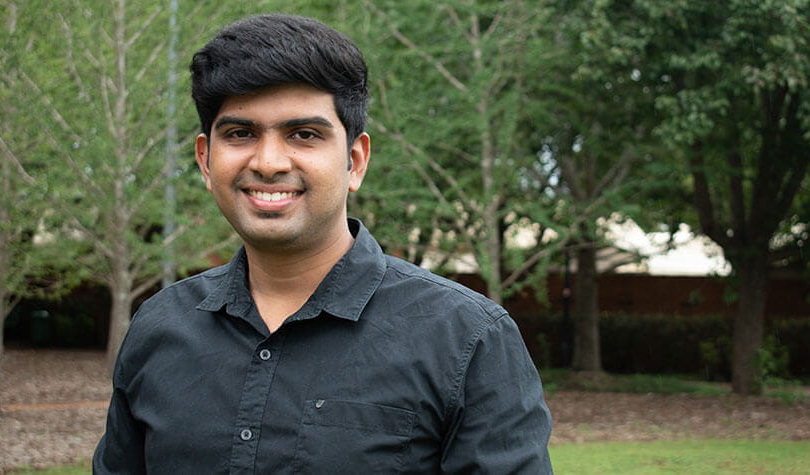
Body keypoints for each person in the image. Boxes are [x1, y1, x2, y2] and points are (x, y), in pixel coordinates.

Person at [93, 13, 552, 474]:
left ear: (354, 161)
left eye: (303, 135)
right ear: (206, 161)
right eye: (240, 134)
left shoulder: (466, 338)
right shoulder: (159, 327)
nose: (269, 162)